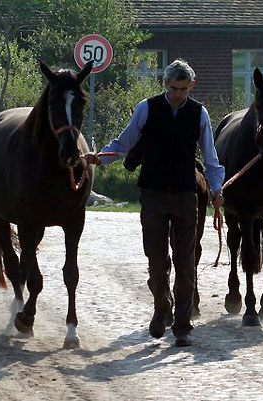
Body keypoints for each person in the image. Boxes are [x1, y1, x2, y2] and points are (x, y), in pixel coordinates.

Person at [85, 59, 225, 347]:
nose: (178, 95)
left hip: (187, 195)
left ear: (192, 86)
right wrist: (101, 156)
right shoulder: (146, 108)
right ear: (165, 83)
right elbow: (124, 142)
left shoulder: (200, 114)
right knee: (156, 261)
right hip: (153, 195)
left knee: (186, 263)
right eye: (174, 88)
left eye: (184, 89)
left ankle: (183, 325)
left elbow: (210, 158)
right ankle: (162, 307)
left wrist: (216, 189)